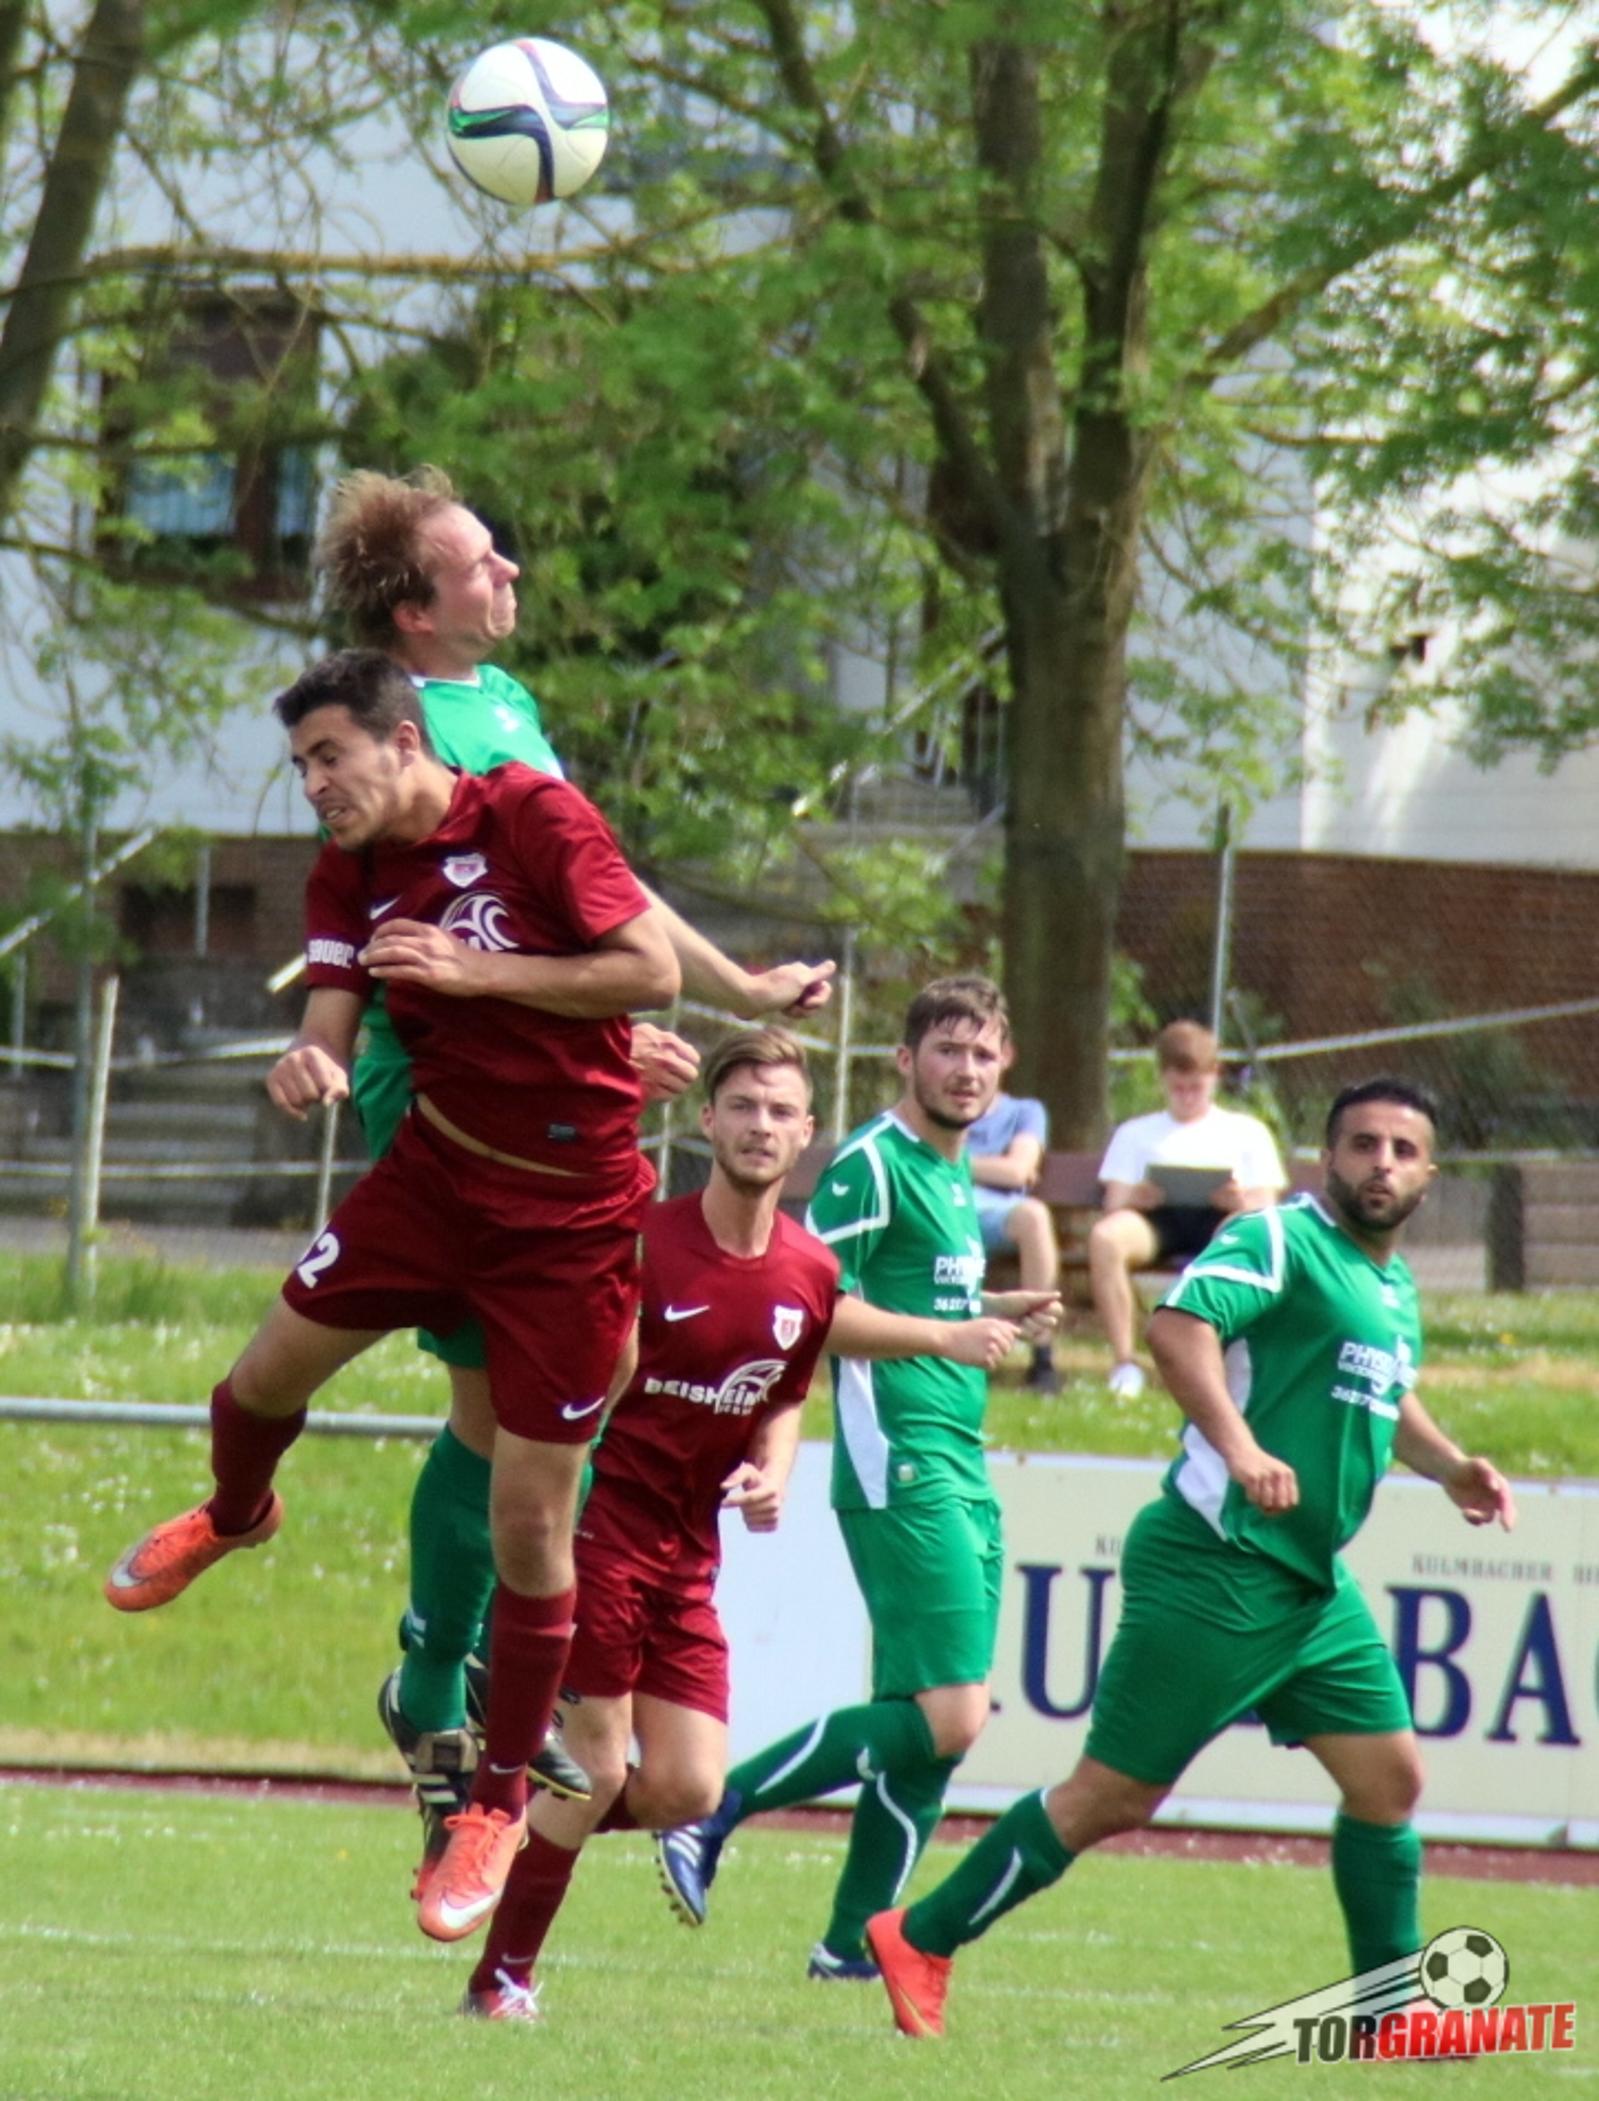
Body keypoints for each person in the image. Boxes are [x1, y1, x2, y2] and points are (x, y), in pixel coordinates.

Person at [104, 649, 680, 1947]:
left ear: (404, 739)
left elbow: (649, 969)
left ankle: (493, 1802)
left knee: (530, 1525)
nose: (315, 783)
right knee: (256, 1382)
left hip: (571, 1221)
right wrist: (309, 1063)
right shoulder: (349, 867)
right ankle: (237, 1514)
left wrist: (481, 975)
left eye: (330, 756)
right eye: (301, 764)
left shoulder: (533, 816)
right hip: (433, 1179)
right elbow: (331, 1014)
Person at [313, 468, 838, 1880]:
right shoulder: (410, 727)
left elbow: (593, 886)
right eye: (484, 560)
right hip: (452, 1093)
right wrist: (589, 1037)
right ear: (415, 608)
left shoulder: (501, 705)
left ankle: (460, 1672)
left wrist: (729, 987)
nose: (513, 574)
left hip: (535, 1076)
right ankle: (445, 1674)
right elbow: (413, 928)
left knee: (570, 1385)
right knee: (512, 1405)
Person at [863, 1077, 1518, 2041]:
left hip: (1306, 1582)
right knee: (1111, 1795)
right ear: (1325, 1157)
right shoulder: (1279, 1238)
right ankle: (919, 1934)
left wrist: (1451, 1464)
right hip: (1216, 1559)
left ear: (1428, 1173)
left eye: (1402, 1150)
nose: (1381, 1163)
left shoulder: (1391, 1285)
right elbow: (1177, 1328)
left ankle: (1387, 2014)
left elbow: (1388, 1393)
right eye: (1362, 1144)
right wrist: (1239, 1447)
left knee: (1388, 1781)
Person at [458, 1025, 1034, 2022]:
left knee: (686, 1787)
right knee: (597, 1763)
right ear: (707, 1121)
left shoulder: (808, 1270)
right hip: (603, 1528)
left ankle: (497, 1811)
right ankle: (500, 1976)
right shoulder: (646, 1240)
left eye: (780, 1112)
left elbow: (784, 1388)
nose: (761, 1125)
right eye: (742, 1107)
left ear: (805, 1133)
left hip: (689, 1552)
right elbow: (578, 1381)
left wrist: (771, 1469)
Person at [655, 976, 1061, 1980]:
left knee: (934, 1732)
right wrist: (946, 1336)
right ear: (904, 1060)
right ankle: (716, 1807)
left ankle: (850, 1945)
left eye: (982, 1053)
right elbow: (806, 1301)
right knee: (953, 1712)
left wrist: (989, 1309)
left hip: (957, 1456)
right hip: (901, 1459)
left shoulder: (949, 1171)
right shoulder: (874, 1161)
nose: (965, 1069)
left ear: (1006, 1068)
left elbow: (904, 1293)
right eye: (946, 1050)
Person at [1089, 1019, 1286, 1401]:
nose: (1187, 1097)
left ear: (1215, 1075)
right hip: (1156, 1221)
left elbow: (1267, 1202)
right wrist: (1137, 1197)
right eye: (1178, 1088)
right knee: (1106, 1238)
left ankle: (1223, 1361)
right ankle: (1125, 1362)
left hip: (1221, 1220)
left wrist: (1239, 1201)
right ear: (1163, 1078)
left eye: (1196, 1087)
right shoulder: (1136, 1132)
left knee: (1241, 1230)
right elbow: (1114, 1201)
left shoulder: (1246, 1131)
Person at [963, 1082, 1060, 1393]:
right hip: (942, 1203)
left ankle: (1042, 1358)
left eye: (985, 1058)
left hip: (998, 1213)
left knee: (1034, 1216)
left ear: (1004, 1060)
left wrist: (952, 1162)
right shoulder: (933, 1104)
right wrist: (997, 1168)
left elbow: (1018, 1170)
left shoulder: (1024, 1112)